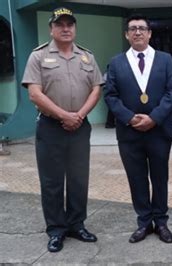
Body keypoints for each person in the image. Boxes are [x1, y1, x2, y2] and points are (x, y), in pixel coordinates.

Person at [21, 7, 103, 252]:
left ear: (75, 28)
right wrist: (64, 115)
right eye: (60, 25)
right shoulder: (38, 56)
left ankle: (77, 225)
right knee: (52, 181)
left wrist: (79, 115)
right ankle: (56, 230)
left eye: (70, 24)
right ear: (51, 29)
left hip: (80, 126)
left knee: (79, 179)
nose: (66, 29)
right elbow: (34, 94)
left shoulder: (87, 56)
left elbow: (96, 89)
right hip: (50, 127)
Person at [104, 14, 172, 244]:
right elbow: (110, 95)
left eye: (142, 28)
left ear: (149, 33)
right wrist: (130, 118)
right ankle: (144, 222)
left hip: (158, 131)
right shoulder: (116, 62)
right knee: (136, 178)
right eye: (133, 29)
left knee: (159, 177)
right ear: (127, 34)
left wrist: (153, 118)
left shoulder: (165, 59)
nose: (137, 32)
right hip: (129, 132)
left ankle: (162, 222)